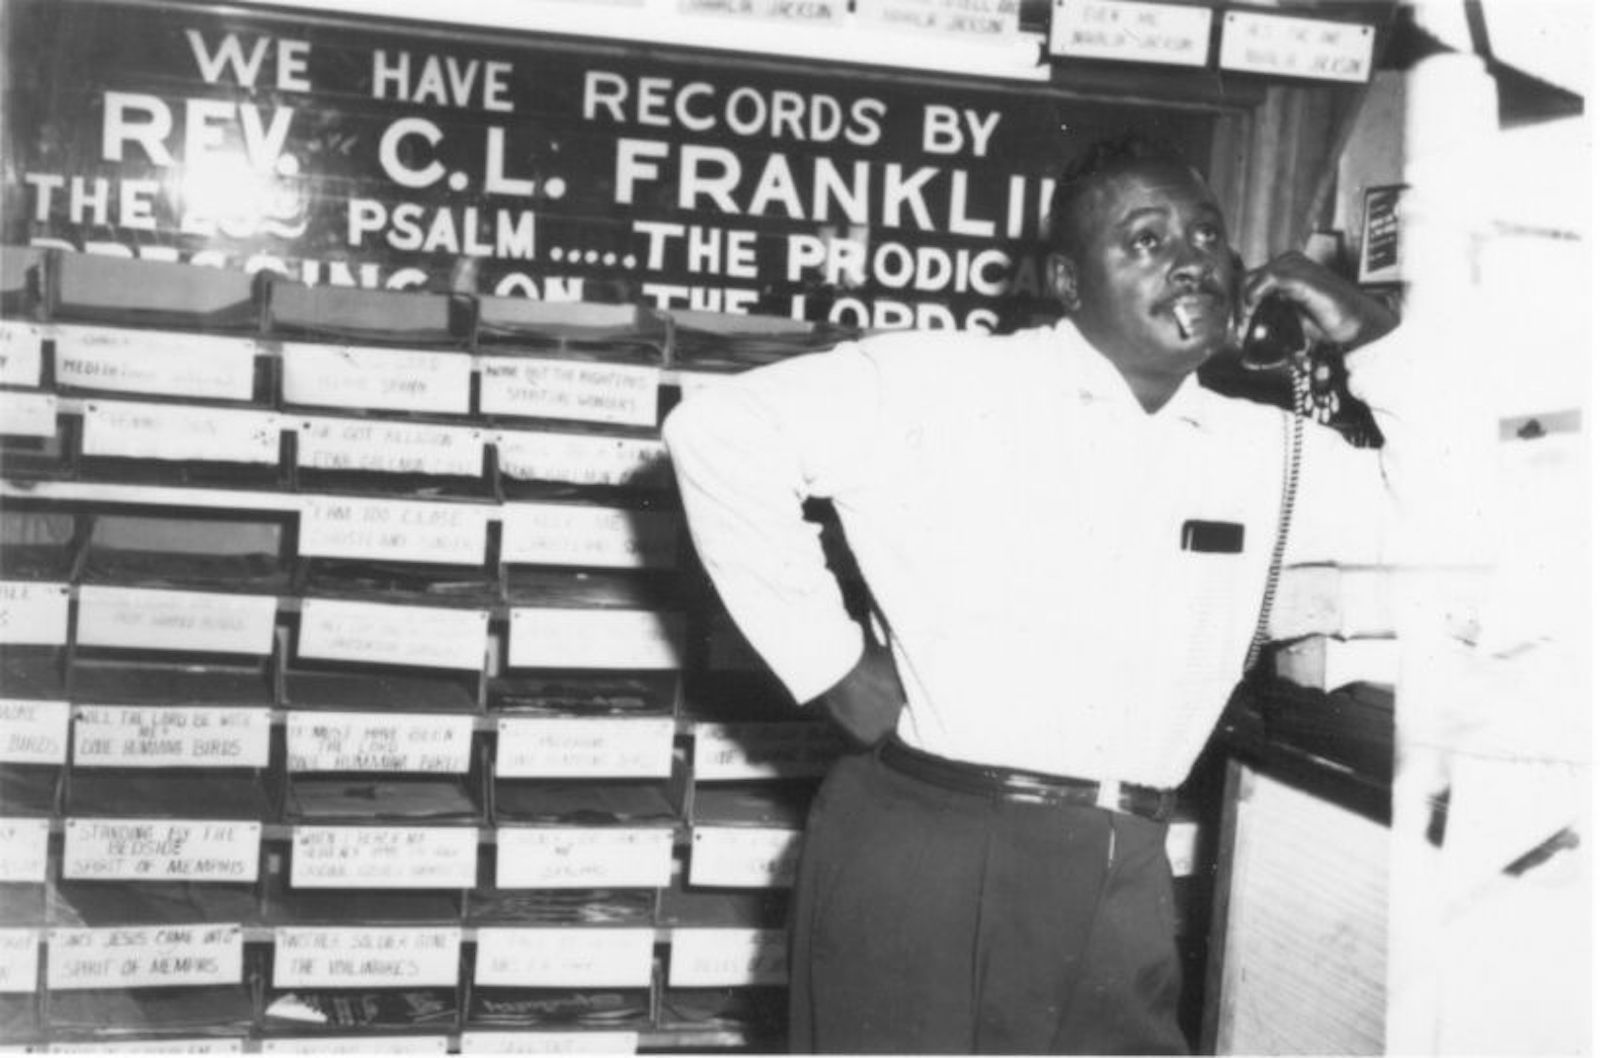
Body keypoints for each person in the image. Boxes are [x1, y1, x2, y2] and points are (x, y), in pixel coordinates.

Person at [663, 135, 1444, 1054]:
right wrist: (833, 665)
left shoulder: (1261, 449)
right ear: (1071, 285)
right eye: (1146, 240)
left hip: (1125, 863)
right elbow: (717, 432)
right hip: (935, 848)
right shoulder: (948, 382)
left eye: (1207, 235)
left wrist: (1377, 340)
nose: (1191, 258)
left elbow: (1457, 518)